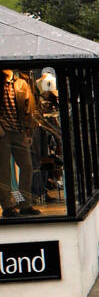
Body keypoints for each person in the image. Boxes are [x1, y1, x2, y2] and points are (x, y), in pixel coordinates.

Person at [0, 69, 38, 218]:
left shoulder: (21, 84)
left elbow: (29, 109)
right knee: (3, 171)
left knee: (27, 166)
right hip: (2, 134)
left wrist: (28, 133)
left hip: (19, 132)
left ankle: (24, 203)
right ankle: (8, 205)